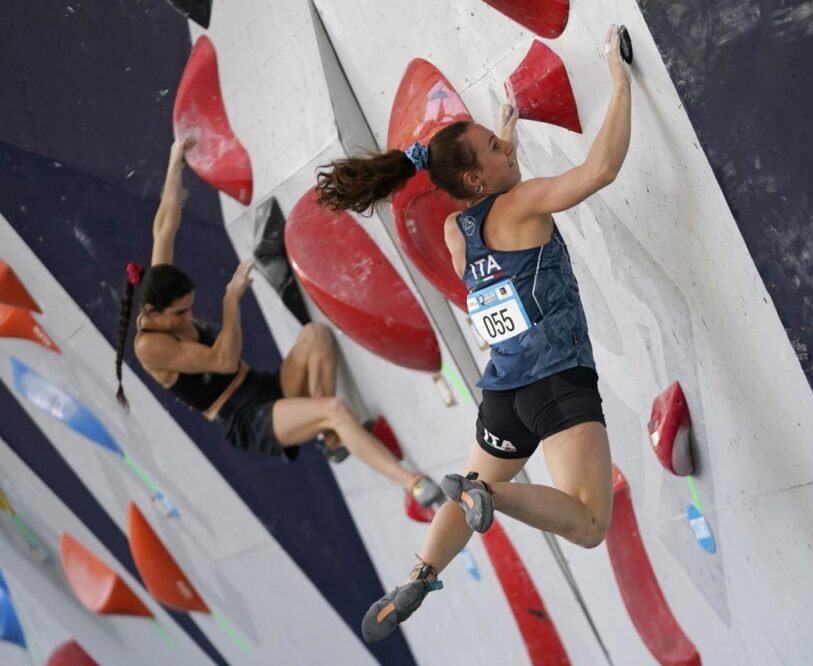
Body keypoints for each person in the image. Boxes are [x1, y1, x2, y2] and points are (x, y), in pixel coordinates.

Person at [315, 26, 632, 641]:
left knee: (478, 484)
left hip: (505, 393)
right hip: (557, 382)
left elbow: (494, 197)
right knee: (590, 523)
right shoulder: (524, 205)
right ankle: (495, 497)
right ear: (478, 180)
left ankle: (417, 573)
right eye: (495, 146)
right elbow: (599, 170)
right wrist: (618, 80)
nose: (505, 147)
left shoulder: (460, 230)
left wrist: (505, 138)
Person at [113, 137, 442, 507]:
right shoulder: (150, 346)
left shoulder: (158, 289)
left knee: (316, 336)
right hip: (244, 417)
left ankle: (331, 438)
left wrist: (174, 162)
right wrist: (230, 302)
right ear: (153, 314)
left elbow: (164, 226)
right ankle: (413, 484)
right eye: (179, 315)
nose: (188, 318)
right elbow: (223, 360)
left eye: (189, 308)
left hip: (264, 386)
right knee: (335, 410)